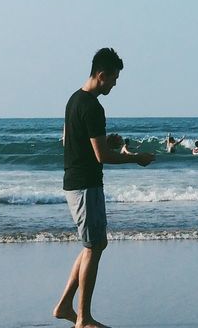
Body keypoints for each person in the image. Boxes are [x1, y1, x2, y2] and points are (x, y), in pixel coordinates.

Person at [53, 47, 155, 328]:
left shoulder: (74, 100)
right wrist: (136, 159)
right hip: (84, 185)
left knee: (94, 245)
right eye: (114, 78)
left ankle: (64, 306)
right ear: (101, 75)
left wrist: (106, 139)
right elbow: (101, 157)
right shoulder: (93, 106)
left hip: (78, 182)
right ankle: (83, 319)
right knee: (93, 247)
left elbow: (76, 142)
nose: (114, 84)